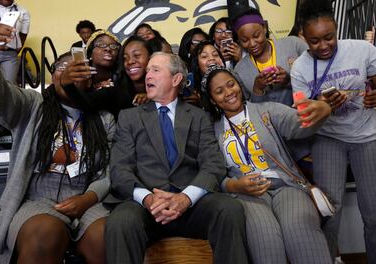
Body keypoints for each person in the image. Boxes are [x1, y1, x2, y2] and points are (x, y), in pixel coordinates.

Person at [0, 24, 115, 264]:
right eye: (61, 67)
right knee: (44, 235)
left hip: (88, 199)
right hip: (38, 199)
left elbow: (109, 171)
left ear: (90, 79)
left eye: (78, 68)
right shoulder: (32, 106)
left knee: (108, 237)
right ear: (52, 76)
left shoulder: (104, 119)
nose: (69, 72)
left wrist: (88, 198)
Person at [105, 52, 249, 264]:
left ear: (176, 79)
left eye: (155, 70)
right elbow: (120, 169)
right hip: (146, 208)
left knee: (229, 209)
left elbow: (213, 164)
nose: (147, 76)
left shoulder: (199, 116)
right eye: (147, 72)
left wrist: (186, 198)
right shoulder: (129, 117)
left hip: (191, 206)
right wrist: (148, 198)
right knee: (120, 221)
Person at [200, 65, 332, 264]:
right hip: (246, 196)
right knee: (265, 239)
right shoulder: (211, 130)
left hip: (285, 187)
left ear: (238, 84)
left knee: (299, 228)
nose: (228, 93)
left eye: (231, 84)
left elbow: (298, 125)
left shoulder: (266, 110)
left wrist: (321, 109)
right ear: (212, 100)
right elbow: (213, 174)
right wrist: (234, 185)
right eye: (219, 91)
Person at [291, 0, 376, 262]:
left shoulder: (362, 50)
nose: (324, 46)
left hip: (367, 136)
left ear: (336, 28)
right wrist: (324, 106)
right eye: (315, 41)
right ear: (303, 36)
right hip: (328, 139)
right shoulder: (300, 68)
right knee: (330, 213)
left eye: (329, 37)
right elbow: (303, 116)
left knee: (373, 213)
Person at [232, 8, 307, 106]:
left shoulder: (293, 44)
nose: (252, 44)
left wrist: (289, 80)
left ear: (264, 28)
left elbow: (317, 74)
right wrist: (257, 90)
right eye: (245, 40)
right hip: (266, 121)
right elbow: (247, 108)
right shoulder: (240, 70)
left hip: (302, 116)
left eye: (256, 36)